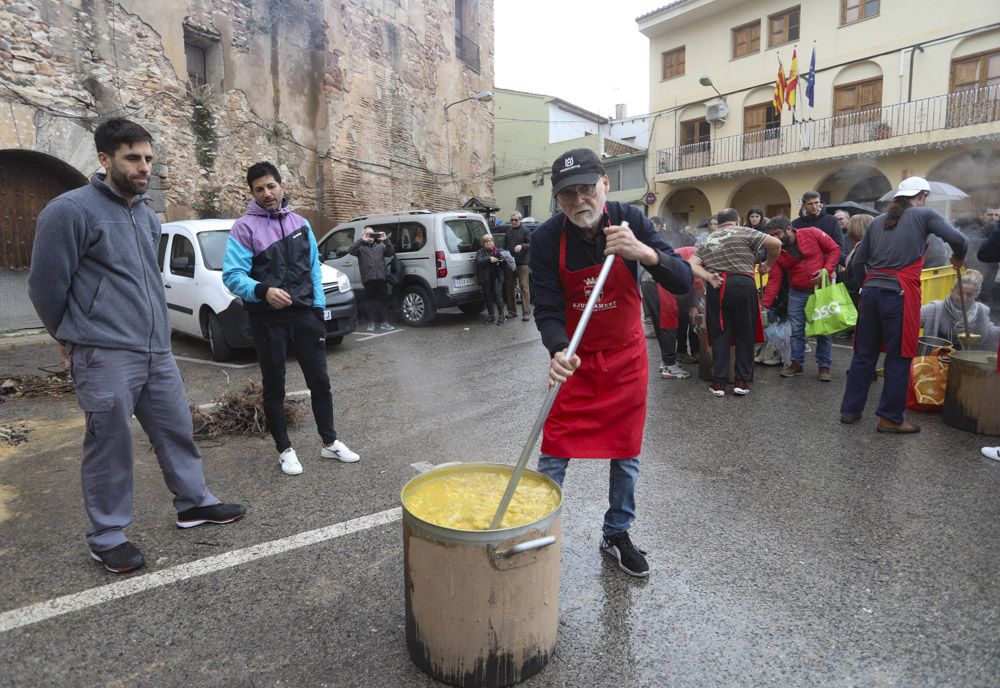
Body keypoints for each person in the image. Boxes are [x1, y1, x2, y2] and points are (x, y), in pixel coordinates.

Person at [27, 118, 245, 574]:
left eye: (148, 157)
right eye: (132, 157)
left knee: (176, 428)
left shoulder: (147, 215)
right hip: (103, 351)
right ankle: (107, 533)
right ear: (105, 159)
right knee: (110, 441)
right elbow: (46, 287)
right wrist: (67, 334)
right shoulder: (70, 211)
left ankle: (193, 502)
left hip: (155, 349)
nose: (143, 166)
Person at [530, 148, 692, 578]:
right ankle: (535, 528)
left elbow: (682, 279)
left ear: (605, 183)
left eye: (587, 189)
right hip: (575, 360)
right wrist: (557, 348)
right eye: (568, 195)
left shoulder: (630, 221)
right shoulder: (547, 239)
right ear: (558, 200)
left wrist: (644, 252)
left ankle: (616, 533)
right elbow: (546, 305)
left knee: (625, 453)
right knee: (555, 450)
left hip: (625, 358)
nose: (579, 201)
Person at [223, 161, 360, 476]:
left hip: (304, 316)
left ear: (282, 186)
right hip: (267, 320)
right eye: (259, 189)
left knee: (320, 382)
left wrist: (317, 309)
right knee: (275, 388)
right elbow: (231, 276)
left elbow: (314, 268)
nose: (267, 193)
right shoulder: (244, 228)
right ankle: (284, 450)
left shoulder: (301, 223)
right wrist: (262, 290)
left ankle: (330, 443)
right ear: (252, 193)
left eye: (271, 186)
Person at [839, 176, 968, 433]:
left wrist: (871, 284)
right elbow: (960, 240)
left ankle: (850, 410)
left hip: (872, 292)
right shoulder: (924, 214)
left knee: (864, 354)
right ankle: (889, 418)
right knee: (899, 357)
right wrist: (958, 257)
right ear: (922, 196)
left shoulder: (876, 222)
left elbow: (856, 263)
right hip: (898, 293)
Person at [688, 208, 781, 397]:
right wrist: (768, 265)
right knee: (745, 333)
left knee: (719, 333)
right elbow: (776, 243)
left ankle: (719, 384)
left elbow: (691, 263)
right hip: (744, 284)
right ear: (737, 221)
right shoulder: (744, 231)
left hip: (718, 285)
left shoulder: (709, 239)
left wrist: (708, 276)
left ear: (719, 223)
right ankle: (741, 382)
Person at [761, 216, 841, 381]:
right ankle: (796, 363)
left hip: (821, 289)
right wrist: (765, 306)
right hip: (796, 292)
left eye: (777, 234)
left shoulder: (812, 233)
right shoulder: (775, 250)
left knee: (823, 328)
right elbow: (774, 279)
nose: (775, 238)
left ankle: (824, 366)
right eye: (772, 236)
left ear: (789, 228)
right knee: (796, 330)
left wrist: (826, 269)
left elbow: (835, 249)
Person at [920, 269, 998, 351]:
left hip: (966, 359)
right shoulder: (935, 309)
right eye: (960, 293)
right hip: (935, 357)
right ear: (952, 290)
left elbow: (988, 331)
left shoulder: (981, 311)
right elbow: (912, 320)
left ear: (976, 295)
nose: (963, 298)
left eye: (969, 295)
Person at [350, 226, 396, 332]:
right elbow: (351, 250)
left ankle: (385, 322)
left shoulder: (380, 246)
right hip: (368, 279)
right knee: (370, 302)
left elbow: (391, 252)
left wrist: (386, 240)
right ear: (363, 235)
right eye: (367, 234)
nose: (370, 236)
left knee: (383, 301)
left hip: (381, 278)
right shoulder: (360, 248)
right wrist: (362, 240)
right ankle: (371, 323)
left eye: (372, 234)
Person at [793, 191, 847, 264]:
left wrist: (832, 267)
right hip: (803, 267)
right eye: (810, 204)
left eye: (816, 202)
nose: (814, 206)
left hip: (828, 266)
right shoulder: (795, 224)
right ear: (803, 205)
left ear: (820, 202)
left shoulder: (832, 220)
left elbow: (839, 247)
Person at [502, 212, 533, 321]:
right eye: (512, 220)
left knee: (524, 287)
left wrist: (522, 246)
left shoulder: (526, 231)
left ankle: (526, 313)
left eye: (516, 220)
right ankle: (512, 311)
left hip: (522, 263)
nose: (514, 222)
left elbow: (530, 245)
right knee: (510, 287)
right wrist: (504, 254)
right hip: (510, 263)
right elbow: (504, 246)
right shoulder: (508, 231)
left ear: (520, 220)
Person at [475, 234, 507, 324]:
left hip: (497, 277)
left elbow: (504, 263)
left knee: (498, 296)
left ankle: (502, 316)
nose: (489, 243)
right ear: (483, 244)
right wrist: (489, 259)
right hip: (486, 278)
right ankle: (491, 316)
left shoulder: (498, 251)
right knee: (488, 297)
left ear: (493, 242)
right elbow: (478, 261)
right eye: (486, 241)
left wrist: (501, 260)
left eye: (490, 241)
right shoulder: (480, 252)